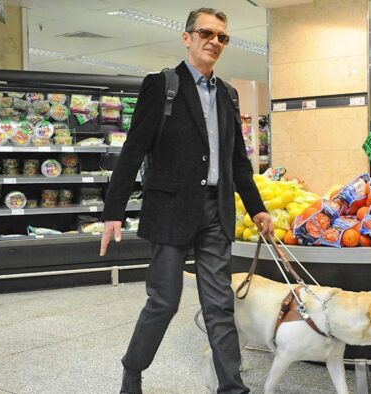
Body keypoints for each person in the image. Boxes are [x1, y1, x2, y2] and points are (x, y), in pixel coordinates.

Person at [99, 7, 273, 394]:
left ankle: (232, 387)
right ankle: (133, 369)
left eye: (222, 37)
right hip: (170, 212)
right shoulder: (161, 85)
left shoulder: (227, 94)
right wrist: (114, 212)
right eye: (207, 33)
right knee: (164, 302)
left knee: (219, 304)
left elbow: (237, 162)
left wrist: (257, 207)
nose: (214, 42)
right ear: (188, 37)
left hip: (216, 211)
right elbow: (133, 150)